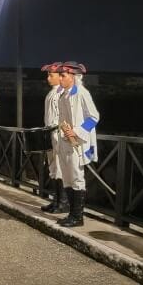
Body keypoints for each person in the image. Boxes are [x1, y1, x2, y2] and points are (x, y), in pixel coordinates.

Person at [54, 61, 100, 228]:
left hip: (77, 144)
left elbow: (94, 117)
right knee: (67, 178)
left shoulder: (82, 93)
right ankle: (71, 214)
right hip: (65, 142)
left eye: (63, 75)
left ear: (73, 77)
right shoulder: (63, 95)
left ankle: (77, 217)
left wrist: (77, 131)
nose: (60, 78)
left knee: (76, 178)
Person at [39, 62, 68, 215]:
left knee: (60, 168)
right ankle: (56, 200)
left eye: (51, 75)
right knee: (53, 168)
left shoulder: (61, 93)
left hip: (58, 135)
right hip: (51, 134)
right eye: (48, 75)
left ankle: (63, 202)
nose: (48, 78)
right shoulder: (53, 92)